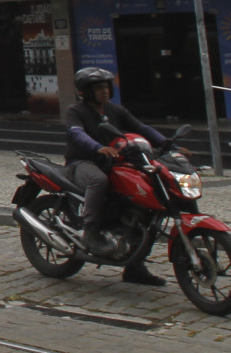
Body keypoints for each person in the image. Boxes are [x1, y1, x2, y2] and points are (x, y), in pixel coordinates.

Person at [66, 66, 170, 286]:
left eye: (106, 86)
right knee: (99, 180)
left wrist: (168, 144)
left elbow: (141, 128)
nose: (104, 91)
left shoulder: (115, 110)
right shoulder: (75, 111)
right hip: (83, 162)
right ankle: (91, 232)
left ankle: (135, 267)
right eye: (98, 88)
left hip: (115, 162)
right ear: (86, 91)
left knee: (144, 197)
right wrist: (97, 148)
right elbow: (76, 134)